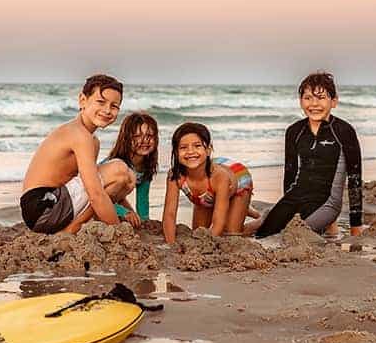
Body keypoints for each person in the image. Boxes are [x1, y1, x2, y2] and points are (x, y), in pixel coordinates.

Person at [250, 71, 364, 238]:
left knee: (294, 236)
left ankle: (330, 223)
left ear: (334, 101)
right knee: (263, 235)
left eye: (321, 97)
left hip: (328, 202)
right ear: (300, 101)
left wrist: (356, 226)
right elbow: (289, 174)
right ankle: (269, 217)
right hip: (296, 197)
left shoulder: (344, 131)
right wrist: (285, 208)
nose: (314, 104)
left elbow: (355, 177)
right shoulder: (294, 131)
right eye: (308, 98)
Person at [19, 74, 135, 234]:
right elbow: (95, 194)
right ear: (82, 100)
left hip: (48, 207)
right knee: (119, 170)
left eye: (114, 106)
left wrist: (129, 211)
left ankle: (73, 227)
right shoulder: (79, 135)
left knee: (128, 180)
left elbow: (98, 187)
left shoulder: (92, 141)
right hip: (42, 206)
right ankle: (72, 229)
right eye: (101, 102)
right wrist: (119, 234)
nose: (107, 110)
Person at [161, 122, 254, 243]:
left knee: (231, 234)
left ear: (208, 150)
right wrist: (171, 244)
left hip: (237, 176)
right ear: (176, 152)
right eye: (183, 147)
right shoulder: (175, 176)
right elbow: (169, 215)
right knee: (198, 232)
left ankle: (259, 218)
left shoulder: (220, 177)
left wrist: (203, 247)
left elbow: (218, 223)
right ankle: (234, 206)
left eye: (197, 146)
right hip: (207, 190)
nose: (190, 151)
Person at [105, 111, 159, 225]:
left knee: (136, 219)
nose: (144, 140)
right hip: (94, 199)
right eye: (137, 136)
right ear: (126, 139)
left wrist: (144, 221)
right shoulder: (118, 165)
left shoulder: (146, 166)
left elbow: (142, 199)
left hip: (113, 201)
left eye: (149, 136)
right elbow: (99, 195)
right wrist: (124, 212)